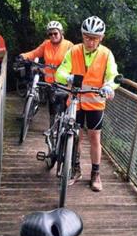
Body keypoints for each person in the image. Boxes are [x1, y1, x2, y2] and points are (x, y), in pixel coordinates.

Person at [55, 16, 119, 192]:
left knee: (94, 138)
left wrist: (109, 86)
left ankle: (96, 173)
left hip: (95, 103)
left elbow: (113, 75)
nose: (90, 42)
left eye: (95, 38)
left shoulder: (106, 54)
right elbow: (59, 71)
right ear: (82, 35)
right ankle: (75, 169)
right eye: (87, 37)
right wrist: (66, 76)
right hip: (75, 100)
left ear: (101, 38)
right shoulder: (74, 51)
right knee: (75, 136)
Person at [19, 21, 73, 123]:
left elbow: (76, 60)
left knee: (63, 107)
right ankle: (52, 130)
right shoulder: (46, 44)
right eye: (50, 34)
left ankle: (64, 128)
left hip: (64, 83)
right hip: (49, 82)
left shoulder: (69, 46)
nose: (53, 36)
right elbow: (35, 52)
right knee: (52, 109)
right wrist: (23, 56)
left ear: (61, 32)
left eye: (55, 33)